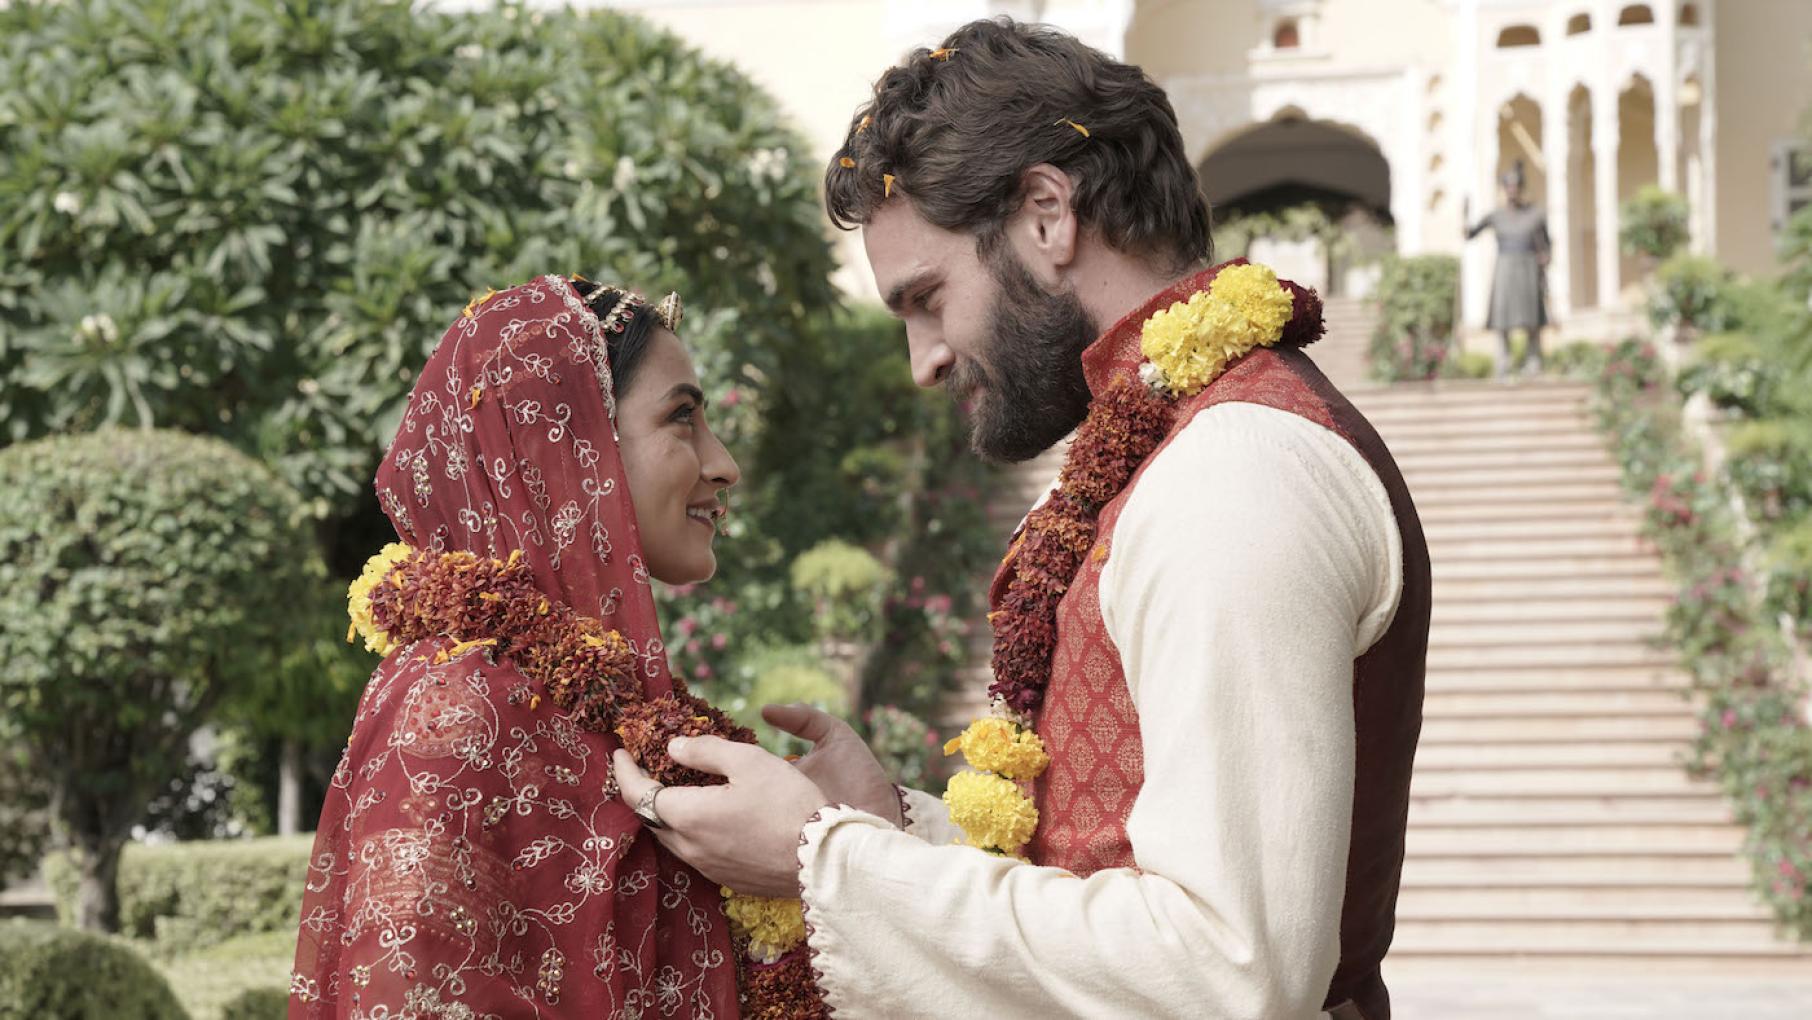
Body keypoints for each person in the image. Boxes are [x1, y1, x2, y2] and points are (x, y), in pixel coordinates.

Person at [611, 18, 1431, 1020]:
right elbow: (1103, 870)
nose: (924, 361)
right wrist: (886, 827)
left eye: (927, 297)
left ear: (1047, 213)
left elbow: (1231, 970)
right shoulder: (1168, 452)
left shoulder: (1234, 472)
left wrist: (827, 864)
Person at [289, 274, 749, 1017]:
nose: (724, 463)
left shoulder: (606, 697)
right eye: (683, 419)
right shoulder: (456, 707)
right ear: (563, 444)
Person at [1467, 160, 1552, 376]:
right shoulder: (1496, 216)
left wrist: (1545, 257)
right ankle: (1503, 364)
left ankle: (1533, 363)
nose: (1512, 190)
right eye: (1508, 186)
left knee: (1531, 318)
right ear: (1504, 189)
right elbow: (1471, 234)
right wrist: (1464, 224)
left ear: (1521, 188)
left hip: (1528, 268)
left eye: (1516, 186)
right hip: (1505, 267)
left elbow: (1547, 244)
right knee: (1502, 318)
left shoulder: (1535, 214)